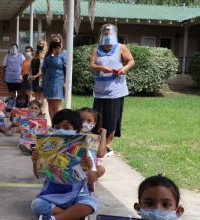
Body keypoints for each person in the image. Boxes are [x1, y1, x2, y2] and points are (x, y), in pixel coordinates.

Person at [30, 109, 98, 220]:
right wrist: (35, 162)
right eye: (57, 128)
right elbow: (39, 175)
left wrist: (89, 168)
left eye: (66, 128)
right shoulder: (46, 149)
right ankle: (73, 215)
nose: (61, 131)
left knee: (91, 202)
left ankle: (56, 218)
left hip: (77, 195)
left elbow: (91, 182)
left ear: (76, 130)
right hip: (52, 195)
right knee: (37, 205)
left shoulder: (84, 150)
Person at [89, 24, 135, 155]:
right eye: (104, 33)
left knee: (112, 118)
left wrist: (124, 69)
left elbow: (131, 61)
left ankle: (108, 145)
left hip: (116, 90)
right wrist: (101, 68)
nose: (106, 35)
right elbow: (92, 66)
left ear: (114, 34)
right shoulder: (96, 49)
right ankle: (97, 144)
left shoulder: (121, 47)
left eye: (109, 33)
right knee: (97, 118)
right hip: (99, 91)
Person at [42, 34, 67, 120]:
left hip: (58, 81)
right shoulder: (48, 55)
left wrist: (65, 82)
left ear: (60, 42)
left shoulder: (64, 53)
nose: (54, 42)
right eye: (52, 41)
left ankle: (59, 124)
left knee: (56, 103)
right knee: (49, 102)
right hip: (48, 81)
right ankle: (53, 126)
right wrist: (53, 52)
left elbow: (67, 68)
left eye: (56, 40)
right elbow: (44, 68)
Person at [78, 107, 107, 178]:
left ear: (94, 123)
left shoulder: (96, 138)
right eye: (81, 120)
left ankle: (88, 180)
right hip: (76, 166)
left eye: (89, 121)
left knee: (101, 169)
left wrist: (103, 135)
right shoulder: (73, 134)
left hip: (91, 168)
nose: (85, 123)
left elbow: (101, 154)